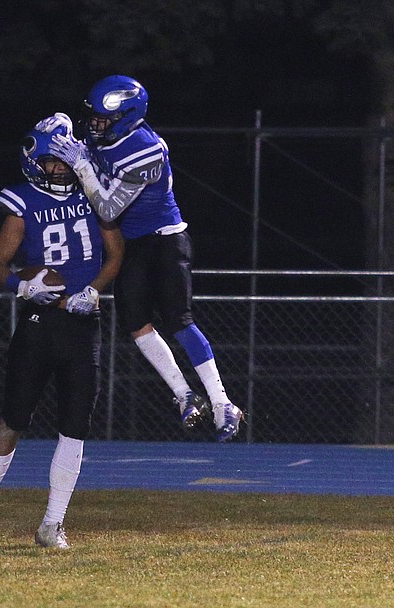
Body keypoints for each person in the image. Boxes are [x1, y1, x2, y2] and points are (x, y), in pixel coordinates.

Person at [41, 75, 244, 442]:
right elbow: (67, 131)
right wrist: (58, 128)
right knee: (135, 323)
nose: (94, 126)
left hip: (165, 239)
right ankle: (184, 393)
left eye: (102, 119)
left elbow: (106, 207)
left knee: (179, 320)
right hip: (133, 243)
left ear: (126, 118)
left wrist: (84, 166)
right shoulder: (102, 135)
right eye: (93, 118)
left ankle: (222, 402)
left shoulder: (146, 150)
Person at [0, 124, 124, 551]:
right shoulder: (22, 204)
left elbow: (116, 254)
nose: (62, 168)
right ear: (35, 164)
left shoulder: (94, 197)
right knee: (14, 419)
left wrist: (94, 290)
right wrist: (22, 285)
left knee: (75, 427)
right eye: (54, 160)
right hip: (40, 325)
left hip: (82, 325)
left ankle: (52, 523)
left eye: (66, 159)